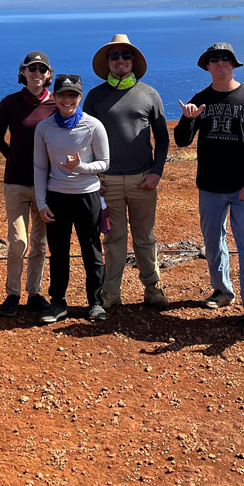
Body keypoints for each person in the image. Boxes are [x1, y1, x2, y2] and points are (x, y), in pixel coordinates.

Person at [173, 42, 244, 331]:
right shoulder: (200, 98)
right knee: (213, 242)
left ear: (233, 64)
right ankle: (222, 290)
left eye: (225, 59)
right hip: (210, 186)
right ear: (207, 66)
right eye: (214, 60)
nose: (220, 63)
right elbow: (182, 141)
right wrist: (187, 119)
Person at [83, 34, 169, 309]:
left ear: (133, 61)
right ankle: (111, 293)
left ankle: (153, 288)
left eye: (125, 55)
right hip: (107, 181)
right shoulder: (96, 97)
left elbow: (163, 138)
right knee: (113, 238)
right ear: (107, 62)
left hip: (143, 179)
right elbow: (84, 139)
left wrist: (156, 172)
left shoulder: (149, 94)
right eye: (114, 56)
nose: (120, 60)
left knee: (145, 236)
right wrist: (94, 177)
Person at [33, 74, 110, 323]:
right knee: (59, 252)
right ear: (54, 97)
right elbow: (40, 167)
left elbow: (105, 163)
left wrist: (81, 167)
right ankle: (58, 302)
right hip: (57, 197)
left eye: (72, 95)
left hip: (87, 196)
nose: (67, 100)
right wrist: (42, 202)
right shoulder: (44, 128)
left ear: (80, 96)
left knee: (92, 250)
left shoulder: (94, 125)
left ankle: (95, 302)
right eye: (62, 95)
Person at [0, 51, 57, 317]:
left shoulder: (56, 103)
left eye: (42, 69)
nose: (37, 74)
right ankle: (12, 293)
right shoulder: (10, 102)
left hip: (47, 184)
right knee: (18, 241)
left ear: (49, 74)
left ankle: (34, 293)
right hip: (16, 183)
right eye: (32, 69)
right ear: (23, 73)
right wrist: (14, 159)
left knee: (39, 242)